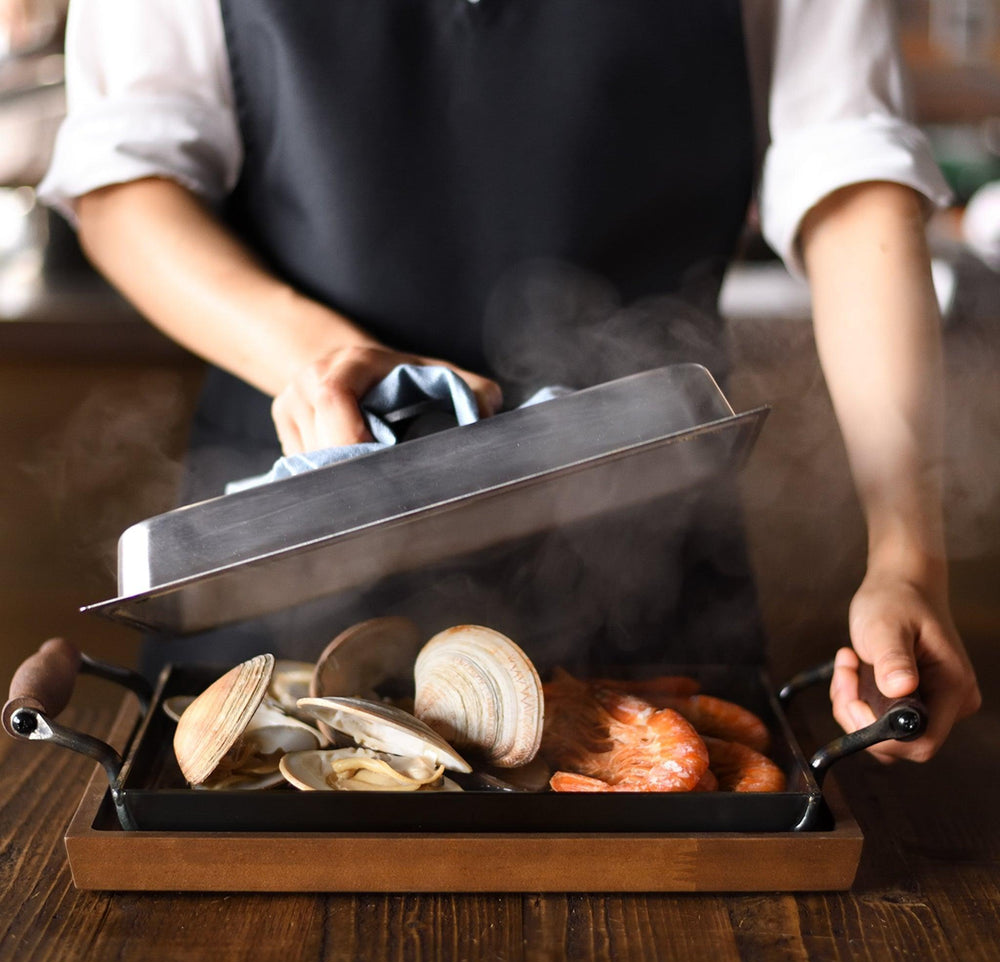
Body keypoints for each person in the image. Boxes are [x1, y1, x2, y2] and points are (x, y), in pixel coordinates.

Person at [39, 0, 980, 763]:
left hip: (650, 573)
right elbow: (126, 184)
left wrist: (907, 557)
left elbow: (854, 186)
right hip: (289, 576)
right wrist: (325, 362)